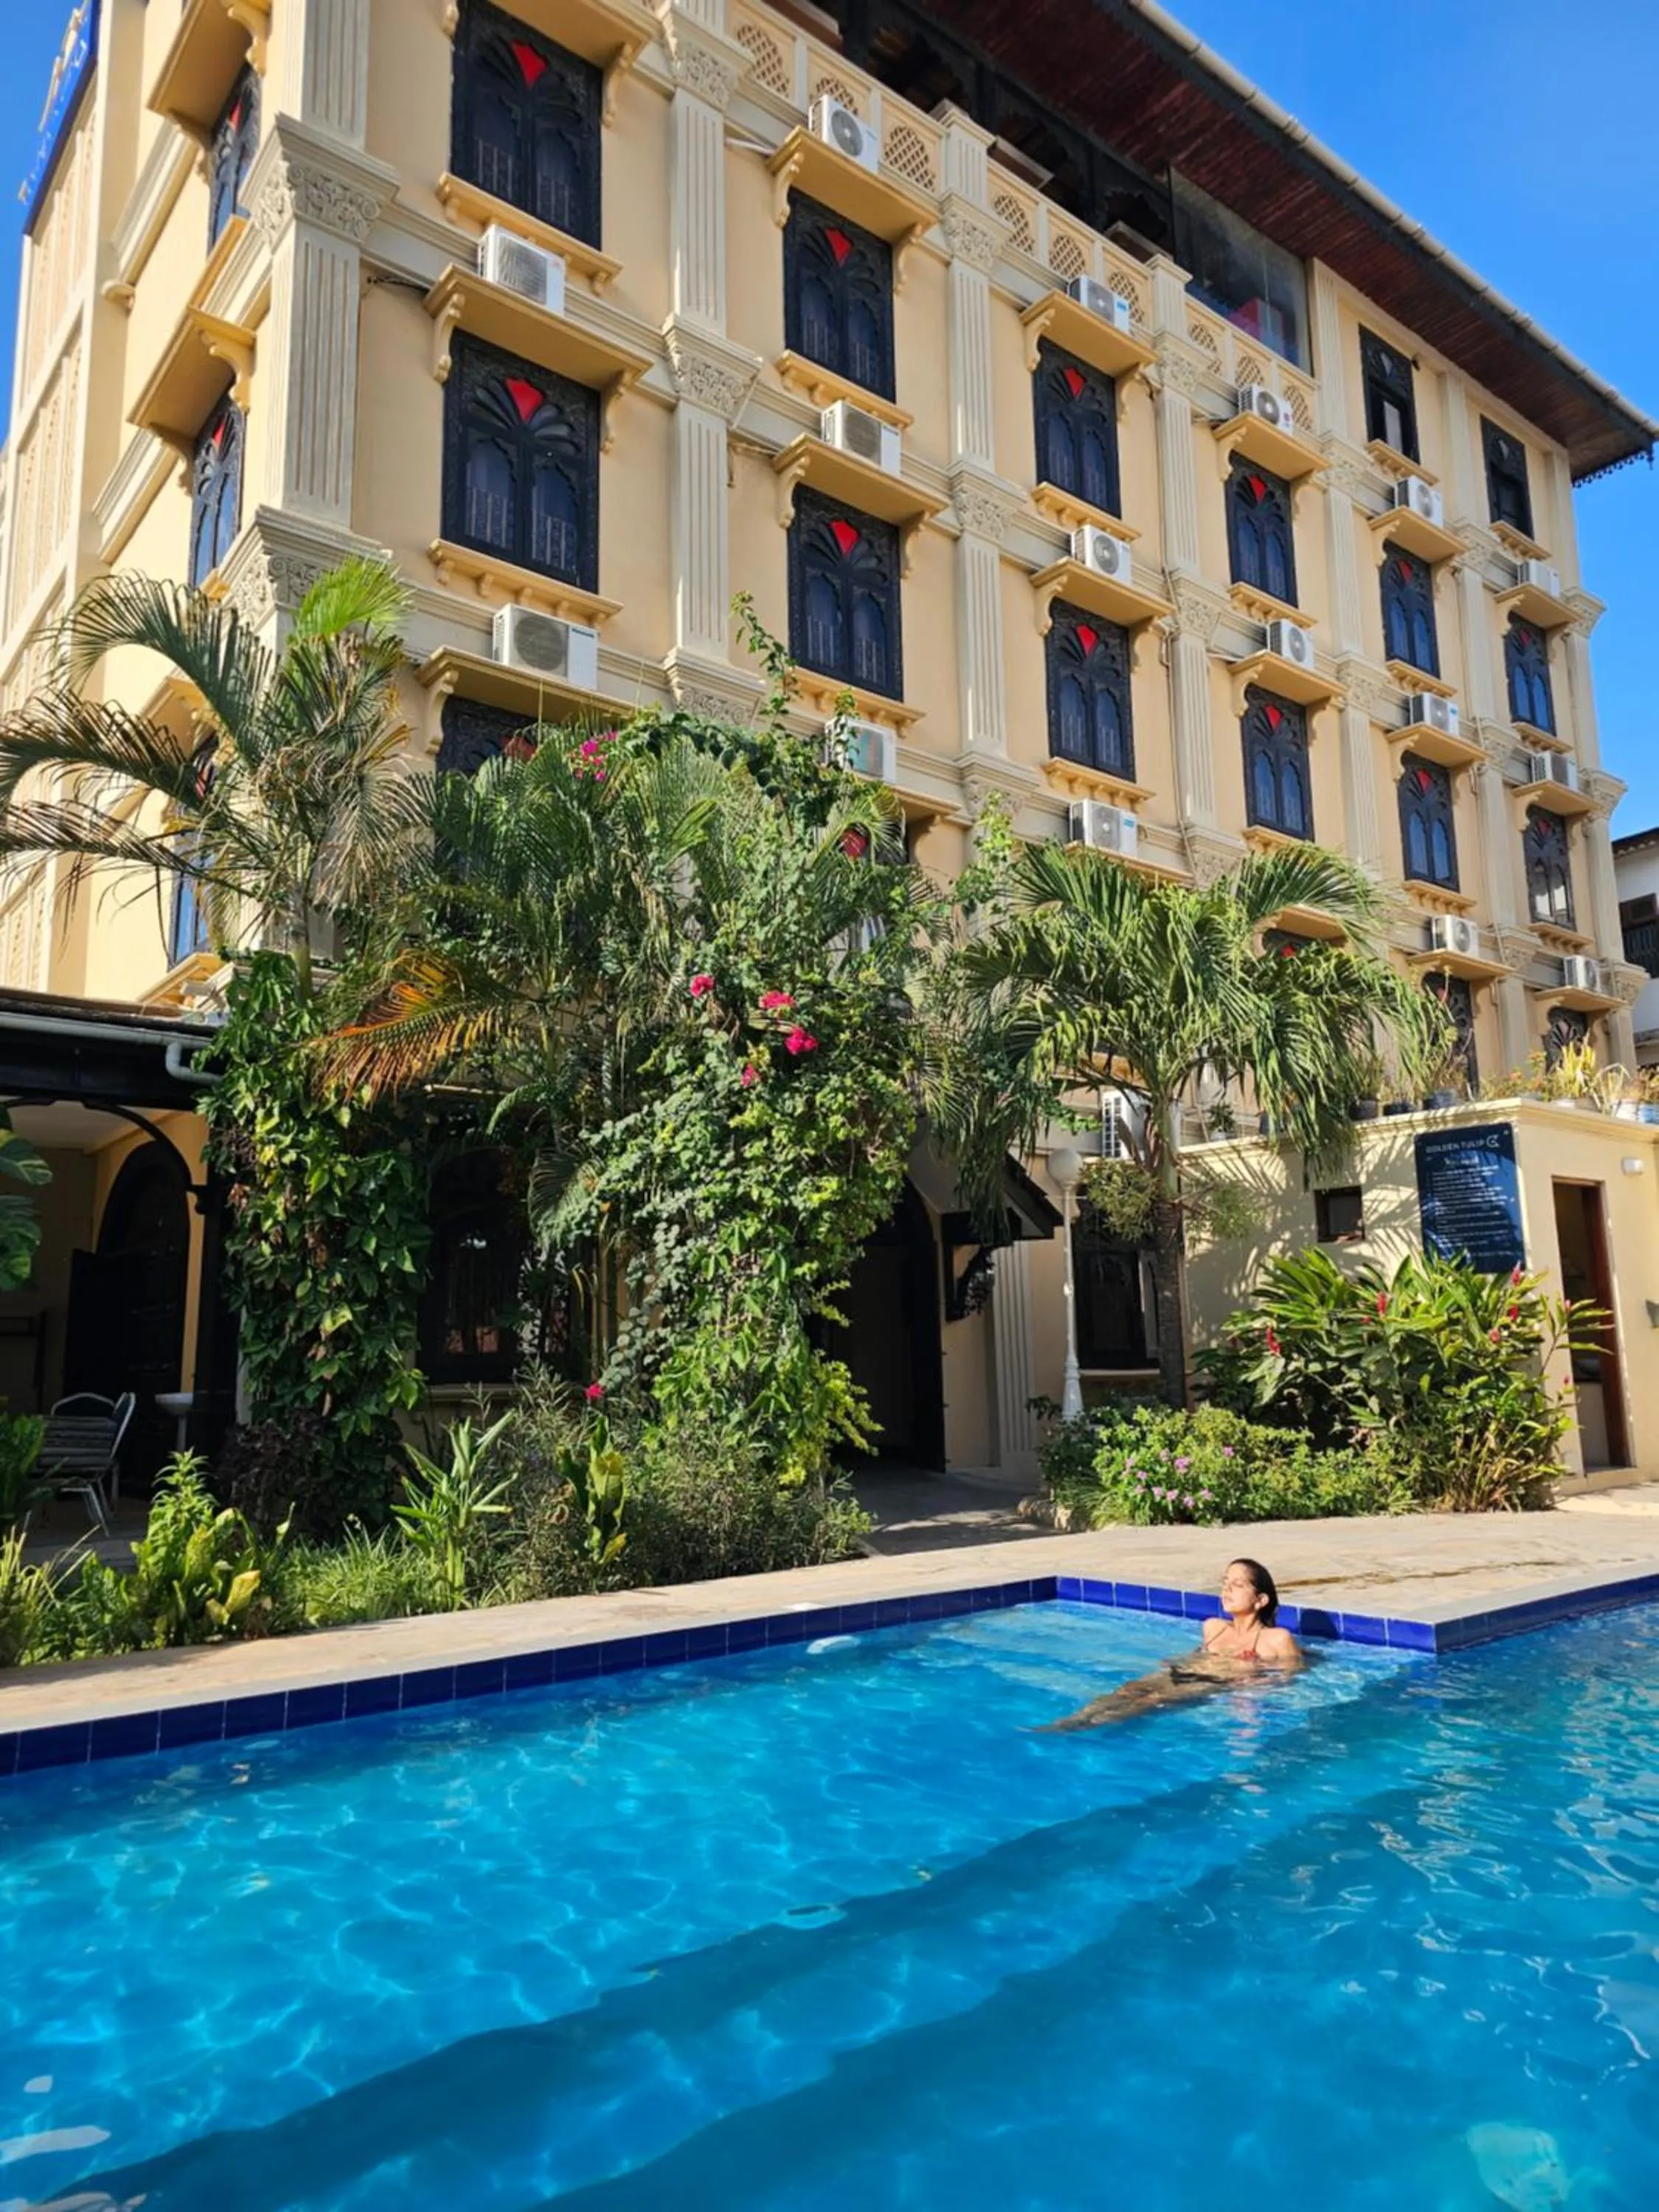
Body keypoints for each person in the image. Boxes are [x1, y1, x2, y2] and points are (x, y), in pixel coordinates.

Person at [1046, 1558, 1301, 1731]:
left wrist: (1252, 1687)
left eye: (1237, 1585)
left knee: (1151, 1700)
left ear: (1260, 1599)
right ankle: (1069, 1722)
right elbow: (1198, 1654)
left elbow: (1291, 1678)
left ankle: (1083, 1730)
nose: (1226, 1590)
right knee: (1127, 1691)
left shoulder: (1276, 1639)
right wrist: (1177, 1661)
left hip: (1212, 1683)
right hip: (1182, 1673)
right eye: (1225, 1583)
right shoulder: (1214, 1627)